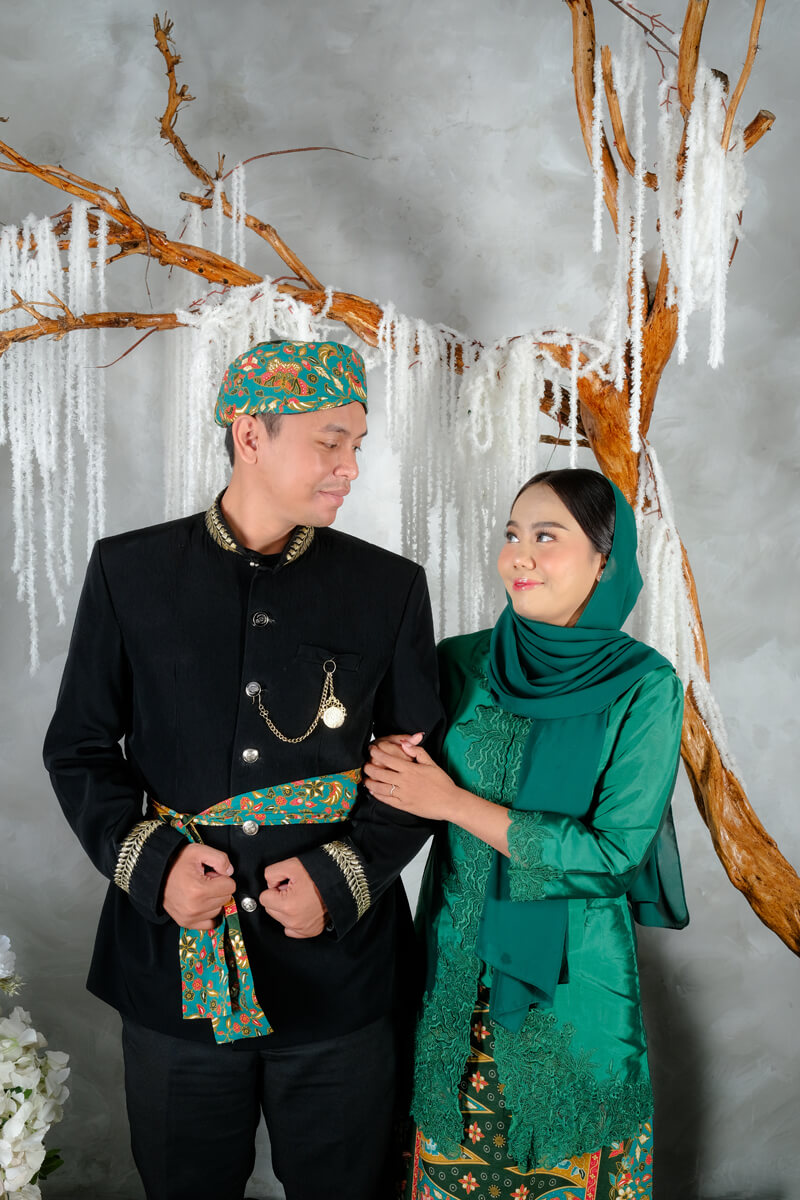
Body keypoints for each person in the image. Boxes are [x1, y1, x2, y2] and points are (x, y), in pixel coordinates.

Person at [43, 339, 445, 1200]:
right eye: (330, 441)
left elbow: (422, 770)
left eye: (358, 445)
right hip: (174, 964)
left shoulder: (389, 588)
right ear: (250, 435)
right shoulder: (129, 570)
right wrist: (153, 866)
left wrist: (340, 878)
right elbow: (78, 748)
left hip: (339, 973)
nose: (350, 466)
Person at [365, 468, 688, 1200]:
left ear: (605, 562)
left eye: (547, 537)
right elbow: (397, 781)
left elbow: (611, 855)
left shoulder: (645, 686)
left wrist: (452, 802)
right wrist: (387, 760)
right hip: (451, 982)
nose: (520, 556)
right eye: (513, 535)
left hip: (572, 996)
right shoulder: (459, 664)